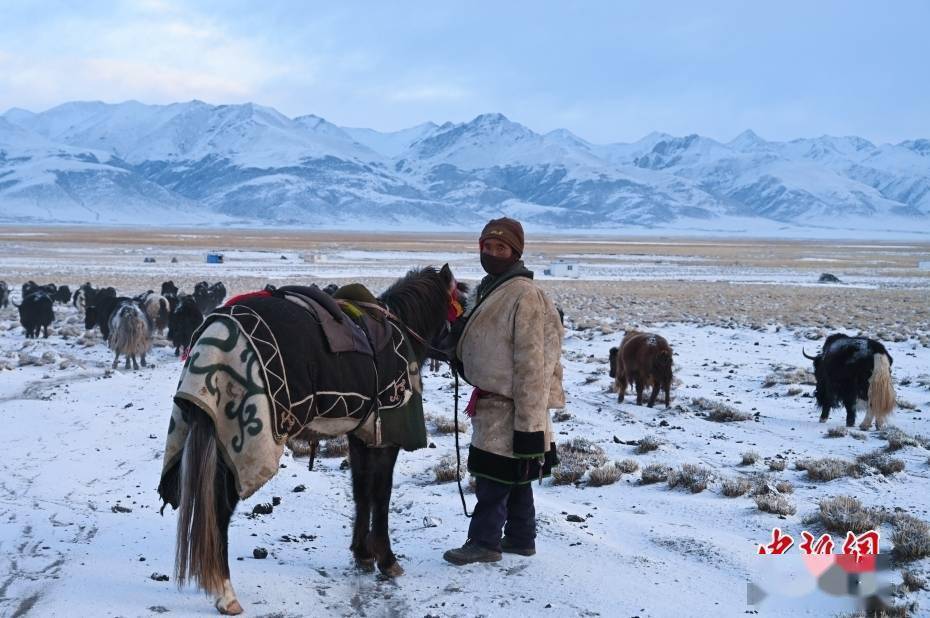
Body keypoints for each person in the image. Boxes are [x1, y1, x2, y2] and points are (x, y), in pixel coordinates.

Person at [443, 217, 565, 565]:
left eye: (501, 248)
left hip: (513, 404)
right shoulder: (493, 288)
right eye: (487, 246)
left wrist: (529, 424)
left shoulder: (524, 296)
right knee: (517, 477)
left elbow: (532, 364)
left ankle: (484, 543)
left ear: (516, 252)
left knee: (493, 477)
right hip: (494, 401)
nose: (492, 253)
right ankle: (521, 538)